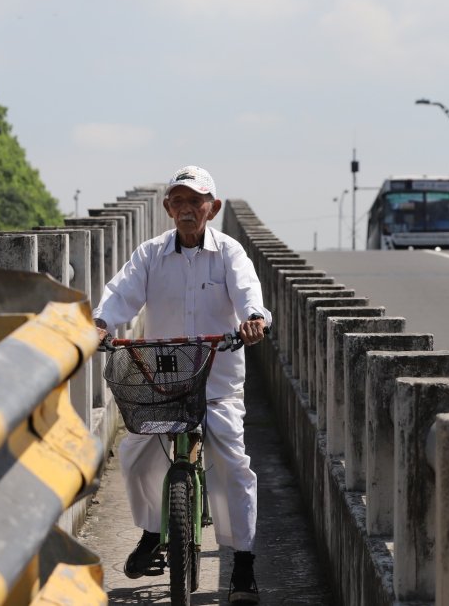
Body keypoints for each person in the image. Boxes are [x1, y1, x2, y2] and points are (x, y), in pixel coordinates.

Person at [93, 165, 270, 605]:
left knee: (231, 458)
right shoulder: (150, 254)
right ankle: (153, 532)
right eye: (180, 202)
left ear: (213, 207)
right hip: (163, 381)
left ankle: (243, 562)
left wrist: (254, 320)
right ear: (168, 207)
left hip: (218, 381)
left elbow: (250, 295)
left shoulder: (229, 253)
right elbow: (121, 295)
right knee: (134, 455)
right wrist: (99, 324)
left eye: (197, 201)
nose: (188, 210)